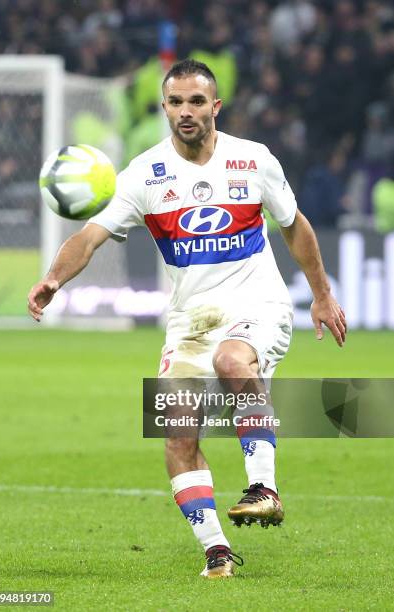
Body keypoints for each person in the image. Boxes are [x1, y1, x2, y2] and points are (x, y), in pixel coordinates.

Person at [28, 59, 347, 579]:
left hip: (258, 304)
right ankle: (217, 553)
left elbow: (295, 228)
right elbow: (89, 237)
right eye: (176, 102)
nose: (186, 111)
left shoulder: (253, 160)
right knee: (177, 435)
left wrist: (322, 295)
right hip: (190, 321)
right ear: (164, 109)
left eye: (197, 101)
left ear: (215, 107)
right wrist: (53, 279)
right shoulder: (144, 176)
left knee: (231, 360)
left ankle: (264, 487)